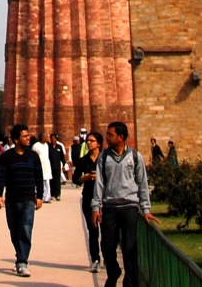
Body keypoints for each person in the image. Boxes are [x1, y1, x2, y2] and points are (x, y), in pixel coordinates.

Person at [93, 121, 159, 287]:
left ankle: (131, 282)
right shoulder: (104, 156)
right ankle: (114, 271)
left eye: (110, 135)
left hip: (129, 206)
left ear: (120, 137)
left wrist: (146, 209)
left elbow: (142, 183)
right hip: (110, 207)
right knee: (107, 246)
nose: (107, 138)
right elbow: (99, 183)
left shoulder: (135, 157)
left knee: (130, 248)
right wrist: (95, 207)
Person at [0, 124, 44, 278]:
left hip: (28, 198)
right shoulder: (7, 157)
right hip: (11, 199)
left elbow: (39, 177)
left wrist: (40, 196)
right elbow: (1, 177)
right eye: (24, 136)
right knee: (14, 231)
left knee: (26, 228)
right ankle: (20, 256)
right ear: (16, 140)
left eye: (28, 135)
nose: (28, 138)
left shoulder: (33, 156)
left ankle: (22, 261)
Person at [72, 130, 104, 272]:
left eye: (92, 141)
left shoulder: (105, 159)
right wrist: (85, 178)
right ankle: (95, 259)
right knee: (93, 229)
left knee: (108, 231)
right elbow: (75, 179)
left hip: (105, 198)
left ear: (99, 144)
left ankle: (108, 257)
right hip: (89, 197)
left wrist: (101, 177)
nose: (89, 143)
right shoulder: (83, 160)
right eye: (88, 141)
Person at [30, 135, 53, 204]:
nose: (47, 138)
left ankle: (47, 197)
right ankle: (40, 196)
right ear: (42, 138)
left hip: (46, 165)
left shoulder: (46, 145)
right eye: (46, 137)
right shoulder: (36, 146)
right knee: (39, 181)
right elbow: (32, 156)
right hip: (39, 165)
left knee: (47, 182)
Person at [47, 133, 66, 201]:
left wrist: (64, 165)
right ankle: (52, 194)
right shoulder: (48, 147)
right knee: (51, 181)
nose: (53, 140)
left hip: (57, 166)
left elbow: (62, 157)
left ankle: (57, 194)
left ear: (56, 139)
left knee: (57, 181)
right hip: (50, 166)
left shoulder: (59, 147)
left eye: (54, 138)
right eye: (51, 138)